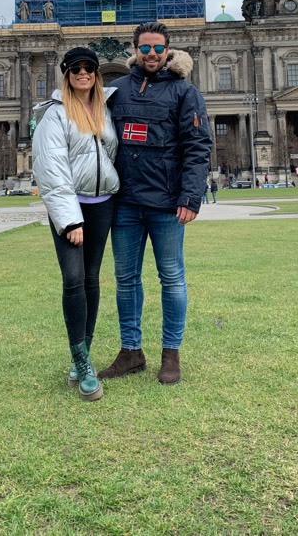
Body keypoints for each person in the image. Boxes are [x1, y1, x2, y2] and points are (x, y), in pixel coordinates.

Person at [99, 21, 213, 385]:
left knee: (172, 279)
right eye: (144, 48)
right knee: (126, 280)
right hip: (126, 203)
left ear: (167, 51)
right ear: (135, 50)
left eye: (157, 48)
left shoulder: (185, 92)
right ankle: (131, 351)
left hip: (167, 203)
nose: (151, 54)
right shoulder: (115, 90)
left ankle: (171, 354)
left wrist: (191, 195)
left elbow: (198, 147)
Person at [32, 46, 119, 402]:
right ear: (66, 74)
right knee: (72, 280)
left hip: (103, 204)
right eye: (75, 68)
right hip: (74, 208)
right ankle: (82, 361)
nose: (82, 73)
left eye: (89, 68)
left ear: (97, 74)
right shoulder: (54, 115)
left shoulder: (104, 109)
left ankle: (81, 353)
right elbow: (51, 170)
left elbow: (109, 155)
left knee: (91, 279)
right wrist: (69, 220)